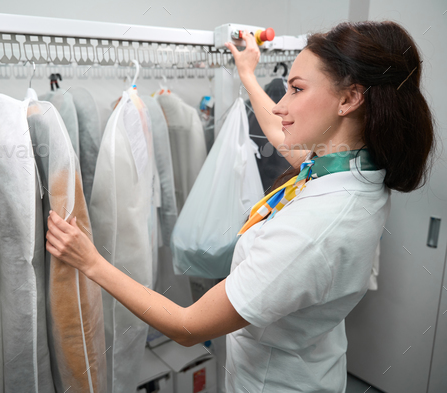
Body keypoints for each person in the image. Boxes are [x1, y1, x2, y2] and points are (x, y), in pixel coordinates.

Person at [45, 20, 436, 393]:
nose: (282, 105)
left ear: (350, 98)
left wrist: (91, 262)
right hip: (315, 363)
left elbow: (187, 326)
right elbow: (284, 139)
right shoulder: (357, 169)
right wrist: (247, 73)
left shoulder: (313, 229)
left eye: (296, 90)